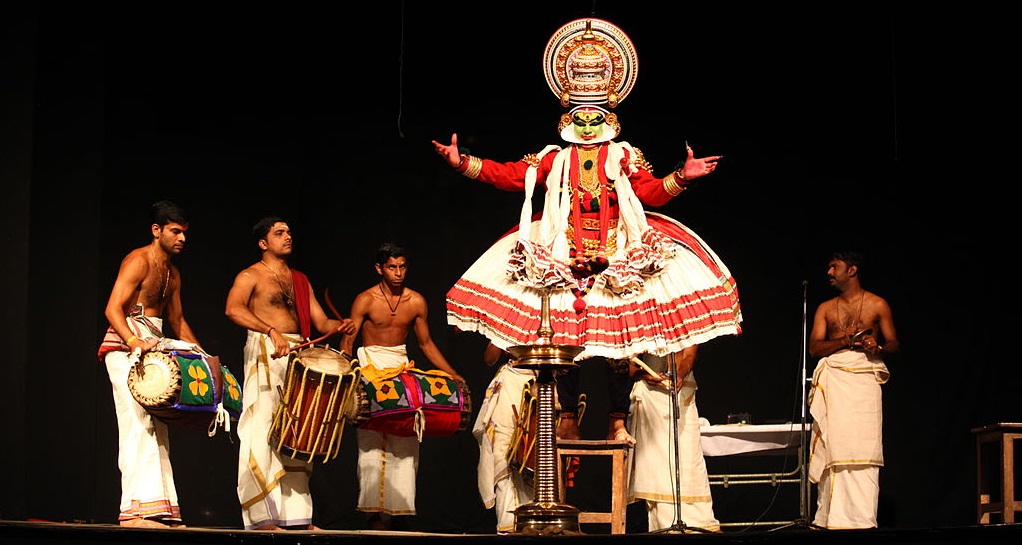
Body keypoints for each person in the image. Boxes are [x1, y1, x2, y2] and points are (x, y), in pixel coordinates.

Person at [431, 18, 742, 443]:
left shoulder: (623, 156)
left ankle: (616, 420)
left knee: (618, 344)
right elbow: (509, 175)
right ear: (568, 114)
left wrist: (682, 177)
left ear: (609, 113)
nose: (590, 123)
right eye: (582, 115)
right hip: (561, 253)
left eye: (596, 115)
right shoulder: (554, 159)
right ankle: (565, 416)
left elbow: (650, 192)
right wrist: (462, 162)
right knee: (564, 344)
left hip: (618, 251)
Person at [224, 215, 356, 531]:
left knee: (297, 431)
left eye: (289, 231)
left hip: (299, 355)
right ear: (263, 242)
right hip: (266, 350)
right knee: (262, 429)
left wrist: (341, 326)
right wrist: (270, 330)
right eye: (279, 232)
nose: (287, 236)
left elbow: (322, 324)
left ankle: (296, 518)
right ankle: (260, 518)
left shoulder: (300, 279)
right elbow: (233, 309)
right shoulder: (251, 275)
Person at [340, 242, 466, 531]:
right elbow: (349, 338)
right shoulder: (366, 299)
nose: (398, 273)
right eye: (392, 267)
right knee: (371, 443)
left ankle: (399, 511)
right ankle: (373, 514)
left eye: (402, 267)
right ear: (379, 268)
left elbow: (425, 344)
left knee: (406, 441)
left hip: (401, 368)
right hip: (371, 368)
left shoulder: (416, 301)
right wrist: (346, 372)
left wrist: (452, 373)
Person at [96, 199, 199, 528]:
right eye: (175, 231)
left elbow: (178, 321)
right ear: (157, 231)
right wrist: (133, 341)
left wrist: (204, 357)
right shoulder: (138, 261)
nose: (181, 238)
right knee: (136, 427)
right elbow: (113, 308)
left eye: (184, 233)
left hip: (153, 346)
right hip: (125, 346)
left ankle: (162, 511)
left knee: (157, 430)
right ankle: (135, 513)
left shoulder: (173, 272)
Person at [807, 250, 899, 529]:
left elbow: (894, 342)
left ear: (852, 270)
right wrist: (845, 341)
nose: (829, 273)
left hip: (863, 382)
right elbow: (814, 348)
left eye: (834, 267)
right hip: (835, 380)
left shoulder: (877, 304)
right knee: (834, 447)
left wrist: (877, 346)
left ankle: (860, 521)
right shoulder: (825, 308)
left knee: (863, 448)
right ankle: (830, 520)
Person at [627, 347, 720, 533]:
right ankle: (666, 527)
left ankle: (700, 524)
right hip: (650, 397)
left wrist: (680, 374)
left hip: (681, 395)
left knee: (689, 464)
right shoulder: (642, 322)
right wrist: (644, 375)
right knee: (657, 469)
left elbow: (689, 355)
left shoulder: (684, 321)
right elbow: (629, 367)